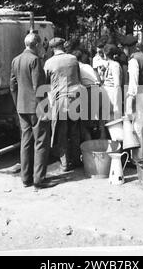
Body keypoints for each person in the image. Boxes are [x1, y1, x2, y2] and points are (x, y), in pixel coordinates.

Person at [10, 32, 54, 189]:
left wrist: (17, 105)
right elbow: (39, 88)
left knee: (26, 142)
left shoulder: (16, 60)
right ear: (36, 45)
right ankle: (39, 180)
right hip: (36, 108)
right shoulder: (35, 60)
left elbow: (12, 86)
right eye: (40, 44)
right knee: (41, 142)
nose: (41, 47)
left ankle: (25, 178)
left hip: (22, 107)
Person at [44, 37, 82, 172]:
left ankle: (65, 163)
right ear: (62, 46)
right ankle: (77, 159)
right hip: (75, 98)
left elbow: (45, 83)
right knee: (75, 131)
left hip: (60, 100)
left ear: (52, 48)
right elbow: (79, 78)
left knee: (62, 132)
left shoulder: (49, 63)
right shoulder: (73, 59)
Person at [124, 35, 143, 161]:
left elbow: (133, 84)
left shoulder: (133, 60)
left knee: (137, 127)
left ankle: (137, 159)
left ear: (128, 48)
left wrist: (130, 102)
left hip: (139, 94)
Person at [72, 49, 101, 141]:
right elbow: (98, 79)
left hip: (88, 91)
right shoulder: (87, 66)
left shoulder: (77, 68)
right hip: (97, 90)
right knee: (96, 122)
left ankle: (89, 147)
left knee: (85, 124)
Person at [102, 44, 123, 122]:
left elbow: (117, 83)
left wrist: (116, 100)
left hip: (113, 91)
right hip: (108, 91)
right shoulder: (108, 64)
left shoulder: (115, 65)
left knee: (114, 117)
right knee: (107, 116)